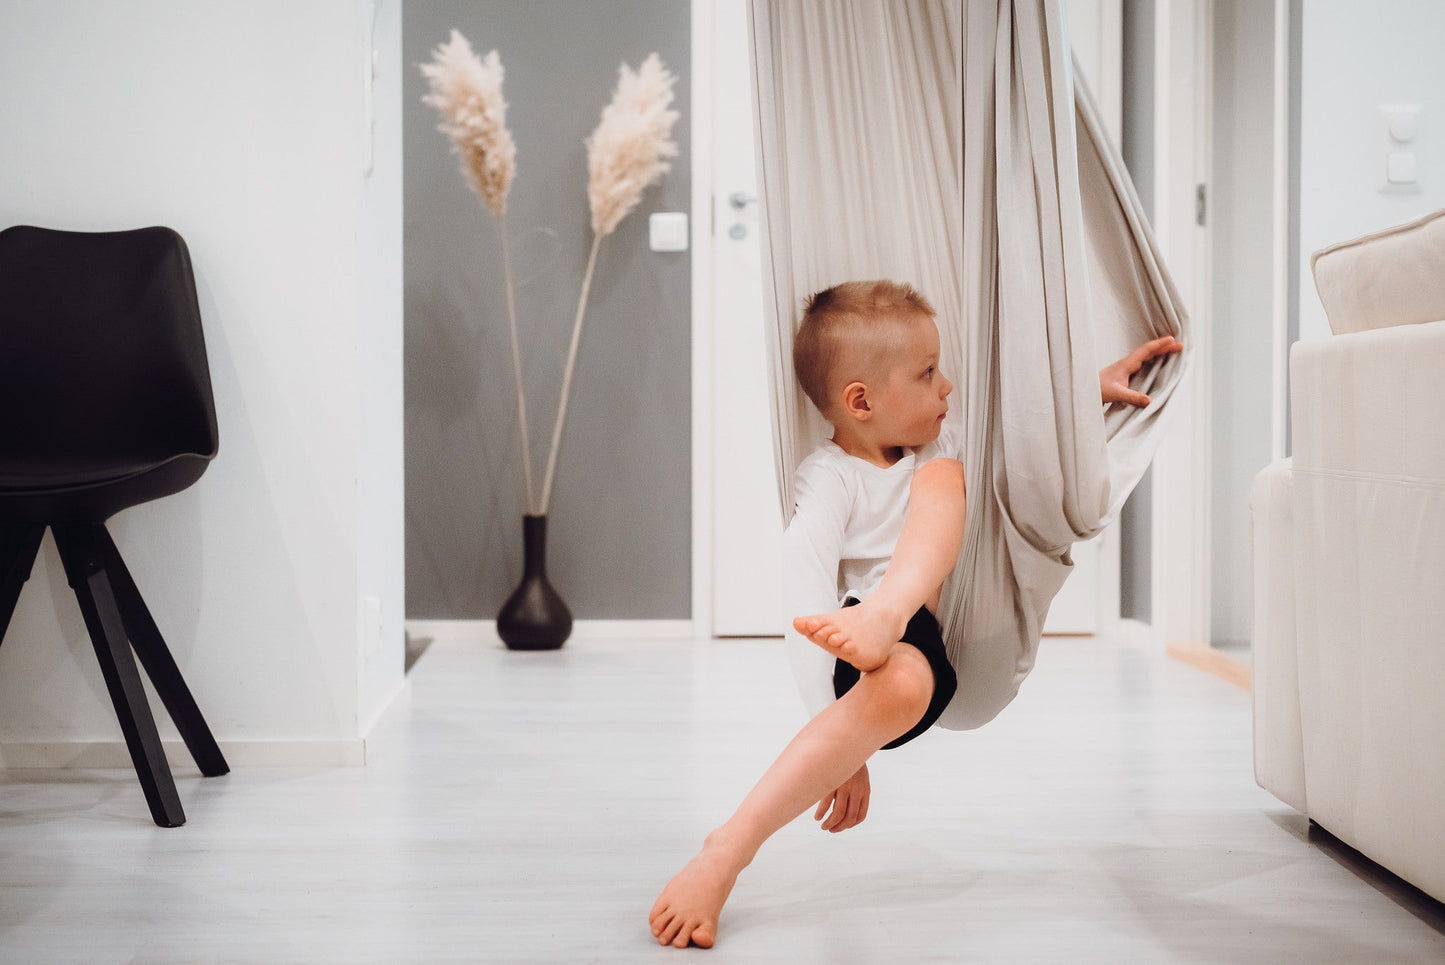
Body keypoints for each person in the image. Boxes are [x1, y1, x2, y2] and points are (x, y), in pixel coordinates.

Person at [649, 280, 1181, 949]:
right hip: (856, 642)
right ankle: (725, 851)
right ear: (861, 402)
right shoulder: (830, 478)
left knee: (943, 482)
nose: (946, 385)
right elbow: (803, 596)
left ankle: (889, 611)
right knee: (899, 656)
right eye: (927, 373)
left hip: (911, 639)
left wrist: (1088, 393)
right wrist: (839, 746)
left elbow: (1021, 429)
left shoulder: (942, 445)